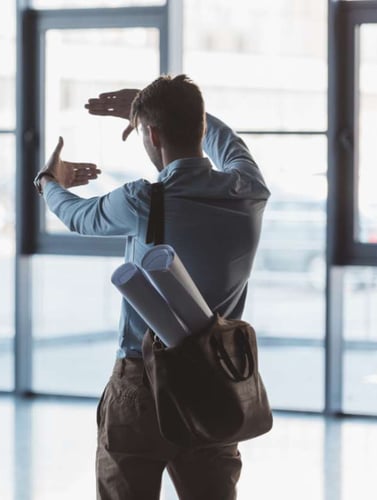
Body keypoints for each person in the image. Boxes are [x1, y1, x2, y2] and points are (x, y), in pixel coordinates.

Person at [33, 74, 270, 500]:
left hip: (141, 381)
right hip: (217, 381)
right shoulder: (249, 190)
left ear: (152, 134)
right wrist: (171, 114)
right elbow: (228, 141)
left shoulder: (144, 199)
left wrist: (49, 181)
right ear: (199, 126)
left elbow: (76, 215)